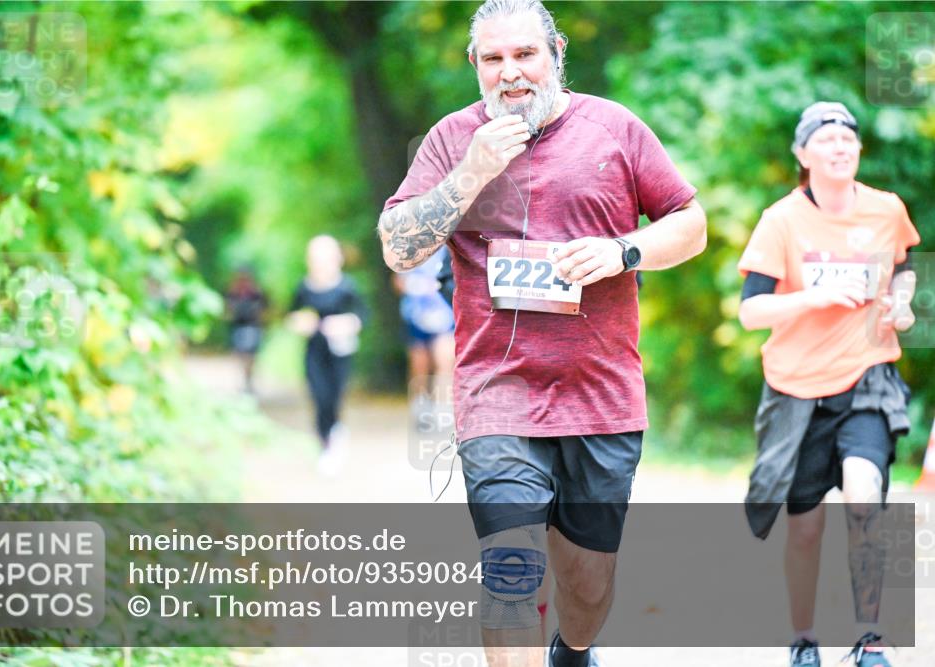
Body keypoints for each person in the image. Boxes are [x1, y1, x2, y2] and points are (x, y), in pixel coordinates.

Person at [378, 2, 706, 665]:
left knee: (587, 587)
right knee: (509, 575)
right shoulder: (452, 139)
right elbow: (398, 248)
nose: (511, 74)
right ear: (475, 65)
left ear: (555, 52)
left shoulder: (614, 130)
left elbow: (690, 222)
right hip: (496, 396)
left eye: (524, 55)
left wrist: (624, 252)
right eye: (493, 59)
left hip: (601, 397)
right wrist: (470, 172)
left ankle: (573, 649)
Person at [738, 102, 919, 667]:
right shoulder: (782, 220)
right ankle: (804, 639)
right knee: (806, 530)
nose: (840, 146)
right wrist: (812, 298)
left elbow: (906, 265)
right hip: (796, 392)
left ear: (858, 150)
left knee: (865, 496)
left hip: (867, 379)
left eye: (849, 137)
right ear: (802, 154)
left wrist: (904, 304)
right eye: (826, 138)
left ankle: (869, 640)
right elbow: (750, 312)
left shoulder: (886, 210)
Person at [287, 235, 367, 477]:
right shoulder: (303, 287)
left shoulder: (347, 287)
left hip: (340, 351)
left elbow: (363, 315)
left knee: (334, 397)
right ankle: (325, 443)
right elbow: (291, 315)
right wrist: (301, 322)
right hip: (314, 351)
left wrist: (347, 323)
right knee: (318, 396)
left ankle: (335, 435)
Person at [393, 245, 456, 428]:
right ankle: (420, 407)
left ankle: (442, 408)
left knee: (444, 360)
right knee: (419, 364)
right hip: (417, 314)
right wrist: (413, 285)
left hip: (445, 313)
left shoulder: (451, 246)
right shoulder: (411, 248)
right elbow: (398, 281)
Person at [226, 267, 269, 394]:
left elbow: (266, 308)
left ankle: (248, 380)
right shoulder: (233, 292)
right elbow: (227, 309)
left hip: (253, 326)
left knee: (251, 356)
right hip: (239, 327)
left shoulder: (256, 293)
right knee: (242, 355)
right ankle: (246, 380)